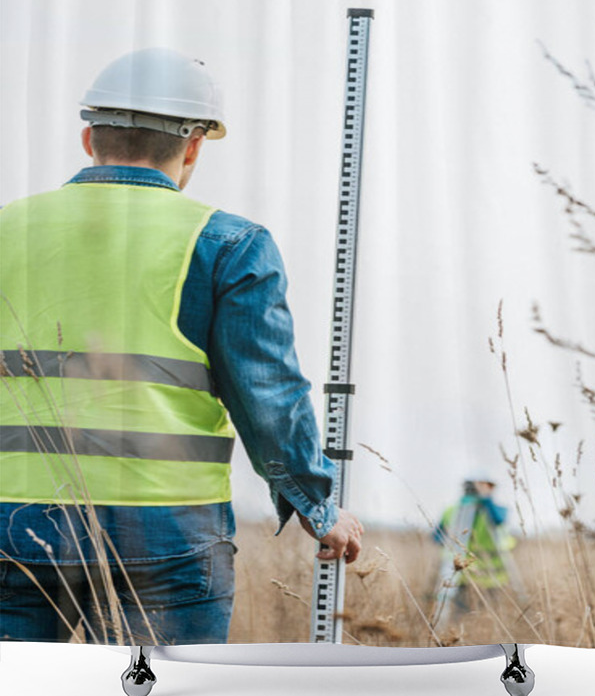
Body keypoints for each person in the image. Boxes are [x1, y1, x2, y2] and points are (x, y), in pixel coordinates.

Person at [0, 47, 363, 645]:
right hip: (164, 536)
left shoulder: (9, 226)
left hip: (12, 527)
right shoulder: (227, 244)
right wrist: (317, 507)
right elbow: (268, 393)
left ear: (89, 137)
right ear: (193, 146)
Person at [433, 476, 516, 619]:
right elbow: (436, 536)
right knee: (462, 615)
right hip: (462, 576)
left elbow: (499, 520)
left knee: (490, 616)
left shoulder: (497, 510)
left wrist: (487, 503)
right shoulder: (453, 510)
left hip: (491, 576)